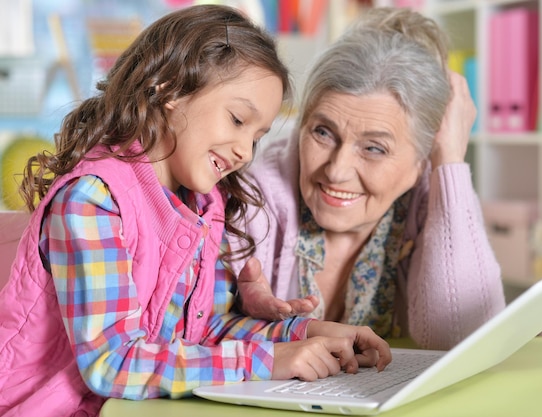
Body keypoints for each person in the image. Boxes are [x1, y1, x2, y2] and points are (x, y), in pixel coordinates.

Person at [0, 5, 391, 417]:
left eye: (256, 137)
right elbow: (111, 364)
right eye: (238, 119)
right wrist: (268, 362)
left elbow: (199, 333)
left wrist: (304, 333)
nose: (244, 151)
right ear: (169, 89)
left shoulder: (203, 205)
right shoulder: (93, 201)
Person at [230, 7, 506, 350]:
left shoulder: (427, 200)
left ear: (421, 161)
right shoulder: (253, 197)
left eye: (374, 148)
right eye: (322, 132)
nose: (337, 170)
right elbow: (200, 330)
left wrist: (449, 160)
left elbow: (465, 340)